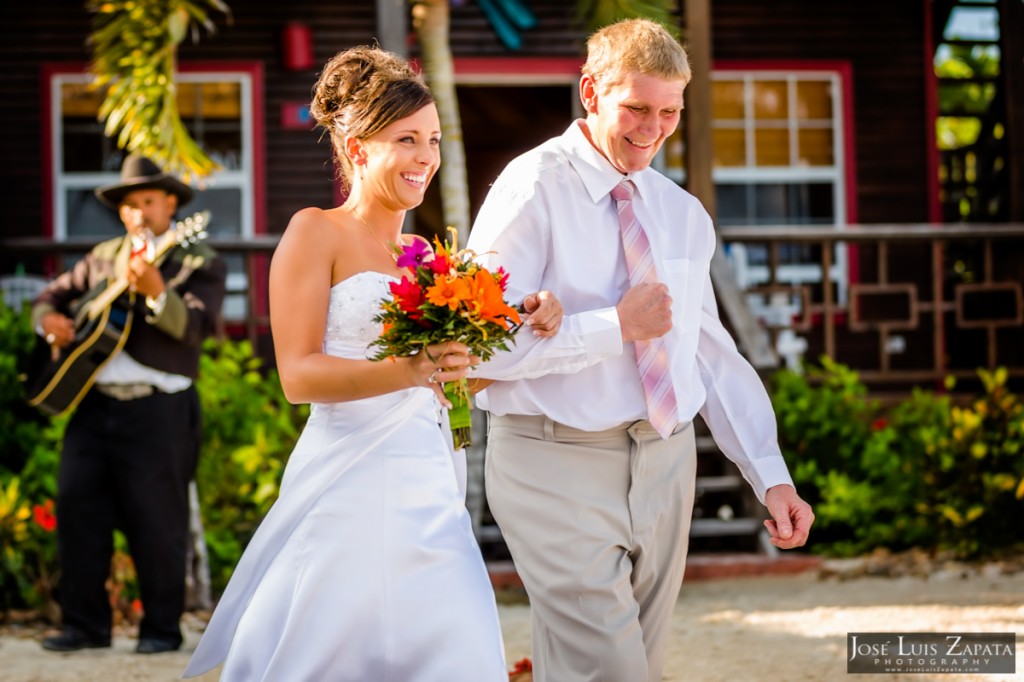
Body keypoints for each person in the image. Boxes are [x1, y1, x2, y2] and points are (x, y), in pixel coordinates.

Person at [182, 46, 562, 681]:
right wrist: (410, 371)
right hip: (348, 476)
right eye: (407, 139)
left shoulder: (426, 254)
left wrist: (528, 322)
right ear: (357, 149)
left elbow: (455, 375)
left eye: (434, 140)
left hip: (431, 480)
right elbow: (298, 376)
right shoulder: (315, 232)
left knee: (453, 646)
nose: (426, 158)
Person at [466, 18, 815, 682]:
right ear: (591, 91)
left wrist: (770, 476)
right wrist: (613, 326)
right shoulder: (530, 187)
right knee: (614, 672)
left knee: (622, 667)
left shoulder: (682, 213)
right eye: (635, 108)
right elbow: (478, 349)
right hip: (551, 461)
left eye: (669, 112)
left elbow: (709, 358)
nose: (652, 128)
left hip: (666, 464)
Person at [34, 154, 227, 654]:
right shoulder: (101, 257)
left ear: (168, 205)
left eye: (148, 200)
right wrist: (47, 322)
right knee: (78, 510)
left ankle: (161, 630)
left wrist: (158, 292)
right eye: (130, 204)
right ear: (121, 212)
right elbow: (50, 298)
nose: (138, 211)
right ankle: (85, 626)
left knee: (157, 520)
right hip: (94, 405)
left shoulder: (196, 259)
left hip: (159, 410)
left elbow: (196, 329)